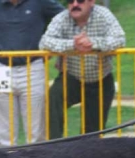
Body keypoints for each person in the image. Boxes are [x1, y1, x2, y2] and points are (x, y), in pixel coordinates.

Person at [0, 0, 64, 146]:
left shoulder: (41, 2)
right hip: (1, 67)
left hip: (33, 67)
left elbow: (64, 16)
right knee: (3, 131)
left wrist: (51, 43)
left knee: (36, 129)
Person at [39, 0, 125, 139]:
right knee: (53, 99)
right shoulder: (62, 18)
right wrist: (73, 44)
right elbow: (45, 42)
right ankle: (53, 148)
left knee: (92, 133)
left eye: (80, 1)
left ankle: (86, 157)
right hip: (72, 77)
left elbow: (120, 40)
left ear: (91, 2)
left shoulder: (104, 15)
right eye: (70, 1)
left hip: (101, 80)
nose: (74, 5)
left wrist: (93, 44)